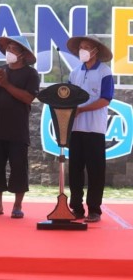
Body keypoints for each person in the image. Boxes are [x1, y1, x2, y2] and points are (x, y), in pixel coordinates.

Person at [0, 36, 40, 219]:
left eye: (14, 49)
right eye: (8, 48)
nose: (9, 52)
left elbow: (28, 98)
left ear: (22, 54)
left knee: (18, 167)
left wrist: (6, 84)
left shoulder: (31, 74)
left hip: (18, 129)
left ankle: (17, 206)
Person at [66, 34, 114, 223]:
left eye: (86, 46)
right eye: (81, 47)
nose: (82, 50)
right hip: (76, 128)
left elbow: (105, 99)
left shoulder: (104, 71)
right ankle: (76, 208)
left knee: (95, 170)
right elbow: (68, 96)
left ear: (95, 50)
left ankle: (94, 209)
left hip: (95, 128)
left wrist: (82, 109)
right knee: (75, 169)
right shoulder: (74, 72)